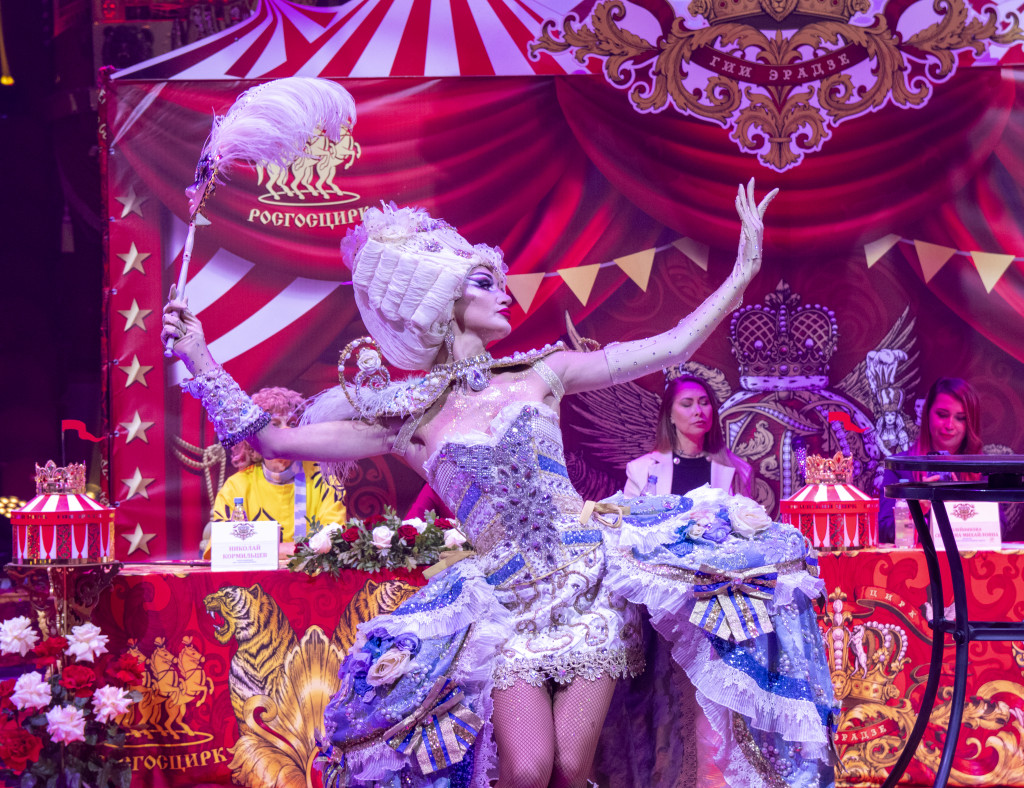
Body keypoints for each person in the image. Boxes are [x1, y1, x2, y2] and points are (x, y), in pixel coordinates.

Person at [162, 182, 837, 788]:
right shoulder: (410, 418)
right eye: (486, 281)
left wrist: (741, 276)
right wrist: (198, 356)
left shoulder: (542, 375)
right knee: (526, 768)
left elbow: (672, 345)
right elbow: (272, 439)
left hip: (590, 584)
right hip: (505, 604)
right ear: (442, 300)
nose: (504, 292)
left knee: (571, 768)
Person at [202, 386, 347, 556]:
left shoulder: (325, 481)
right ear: (253, 437)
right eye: (274, 425)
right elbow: (220, 550)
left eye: (292, 424)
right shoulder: (236, 487)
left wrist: (257, 549)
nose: (286, 431)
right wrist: (290, 549)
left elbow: (336, 544)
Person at [877, 377, 983, 542]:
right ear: (927, 415)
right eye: (942, 415)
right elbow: (884, 531)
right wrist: (916, 512)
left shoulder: (982, 469)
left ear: (971, 422)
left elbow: (1000, 528)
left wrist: (959, 505)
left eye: (960, 418)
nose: (949, 425)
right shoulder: (900, 467)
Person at [624, 374, 753, 498]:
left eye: (704, 403)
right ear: (670, 415)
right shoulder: (640, 470)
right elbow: (626, 513)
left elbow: (747, 513)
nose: (698, 411)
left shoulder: (739, 470)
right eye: (687, 404)